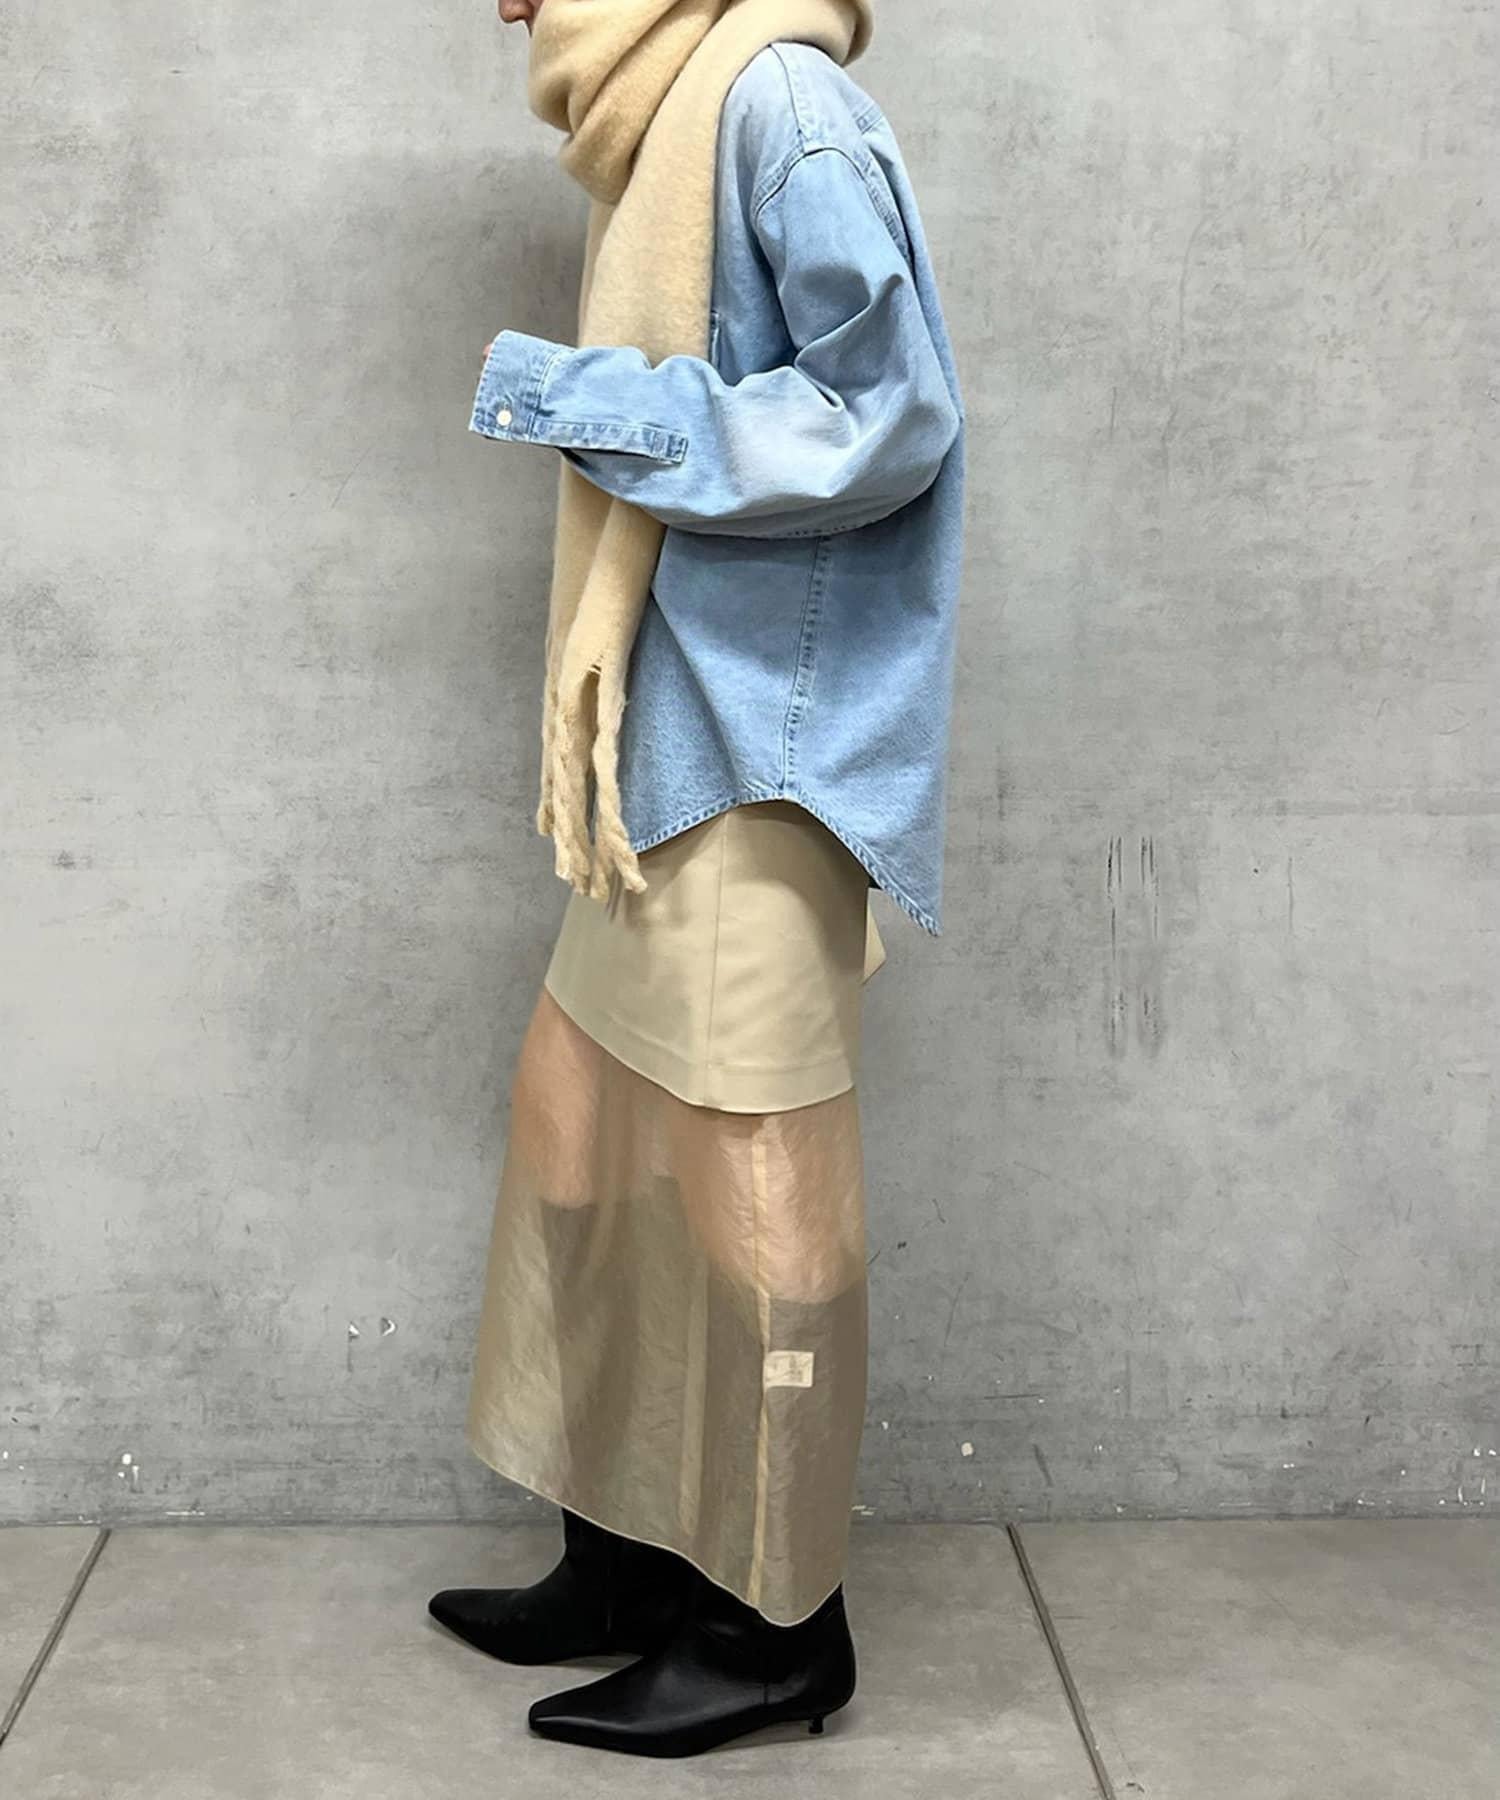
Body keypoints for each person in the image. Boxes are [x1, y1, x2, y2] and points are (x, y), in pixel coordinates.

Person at [429, 0, 965, 1759]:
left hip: (760, 744)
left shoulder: (778, 103)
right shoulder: (666, 121)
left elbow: (889, 410)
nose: (506, 5)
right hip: (658, 745)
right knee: (583, 1126)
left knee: (753, 1175)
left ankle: (773, 1622)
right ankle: (631, 1550)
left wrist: (578, 397)